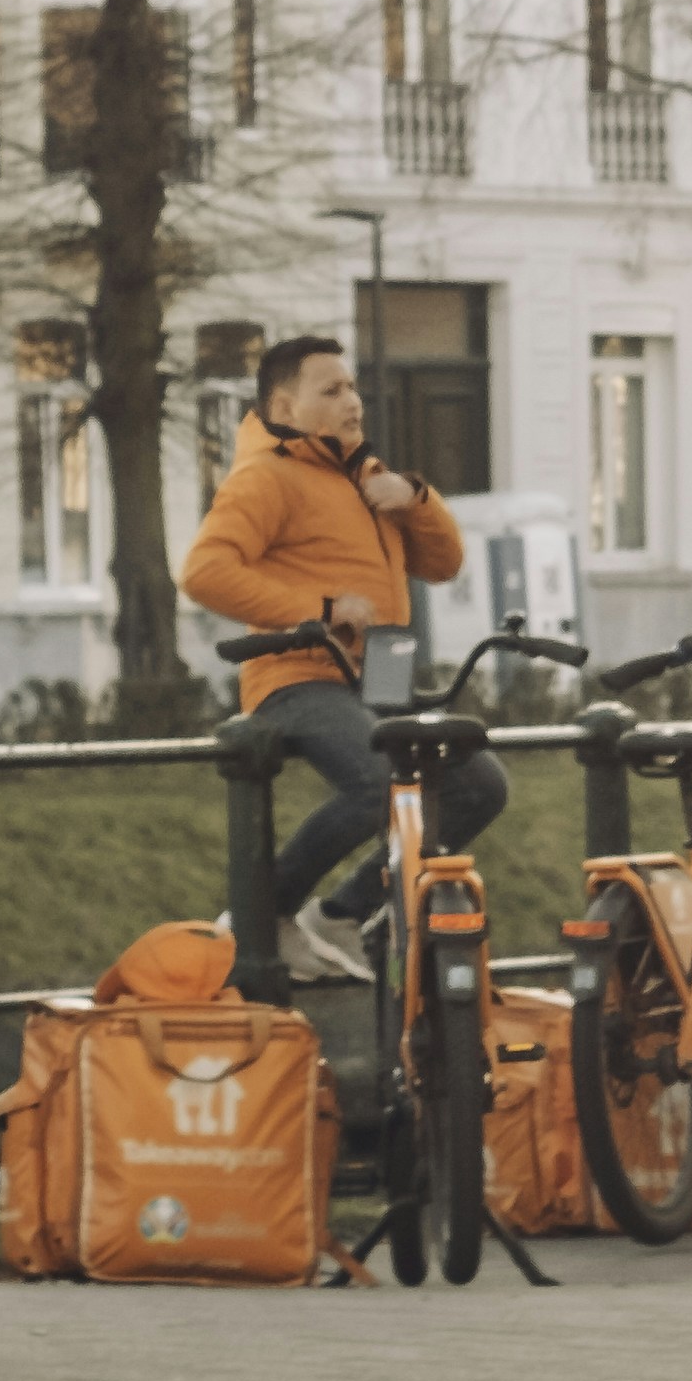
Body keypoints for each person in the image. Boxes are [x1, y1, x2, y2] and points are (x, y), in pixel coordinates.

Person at [179, 330, 484, 983]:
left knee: (477, 784)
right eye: (333, 389)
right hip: (302, 675)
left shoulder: (366, 473)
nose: (353, 401)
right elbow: (204, 571)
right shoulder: (265, 476)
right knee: (378, 783)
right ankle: (260, 915)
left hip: (384, 671)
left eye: (352, 387)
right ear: (286, 406)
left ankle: (342, 912)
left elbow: (445, 562)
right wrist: (319, 608)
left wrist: (417, 500)